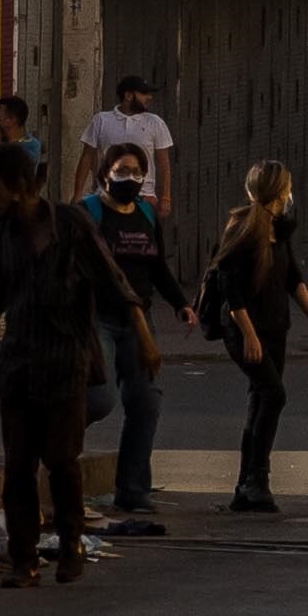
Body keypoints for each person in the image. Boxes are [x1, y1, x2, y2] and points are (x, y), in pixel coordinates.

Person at [0, 143, 148, 586]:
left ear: (22, 188)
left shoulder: (72, 224)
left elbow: (113, 280)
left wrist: (146, 339)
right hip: (19, 363)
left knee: (61, 459)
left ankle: (71, 541)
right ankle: (23, 560)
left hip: (67, 363)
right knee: (18, 465)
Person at [199, 160, 308, 515]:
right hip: (244, 331)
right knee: (273, 394)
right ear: (276, 192)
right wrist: (249, 335)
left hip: (275, 328)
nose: (291, 194)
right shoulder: (242, 230)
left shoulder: (279, 230)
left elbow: (293, 278)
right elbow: (230, 288)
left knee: (260, 399)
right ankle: (257, 478)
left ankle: (248, 486)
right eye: (287, 188)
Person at [77, 145, 190, 514]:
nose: (129, 178)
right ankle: (59, 448)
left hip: (139, 321)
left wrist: (181, 303)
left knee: (145, 402)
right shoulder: (88, 214)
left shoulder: (145, 212)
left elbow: (157, 266)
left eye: (136, 171)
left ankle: (133, 489)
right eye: (121, 170)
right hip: (98, 319)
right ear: (104, 174)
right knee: (99, 399)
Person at [74, 73, 177, 217]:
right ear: (128, 96)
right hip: (106, 195)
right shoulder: (101, 120)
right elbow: (86, 157)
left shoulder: (155, 123)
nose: (149, 98)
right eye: (144, 93)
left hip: (143, 196)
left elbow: (163, 163)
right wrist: (77, 195)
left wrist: (166, 198)